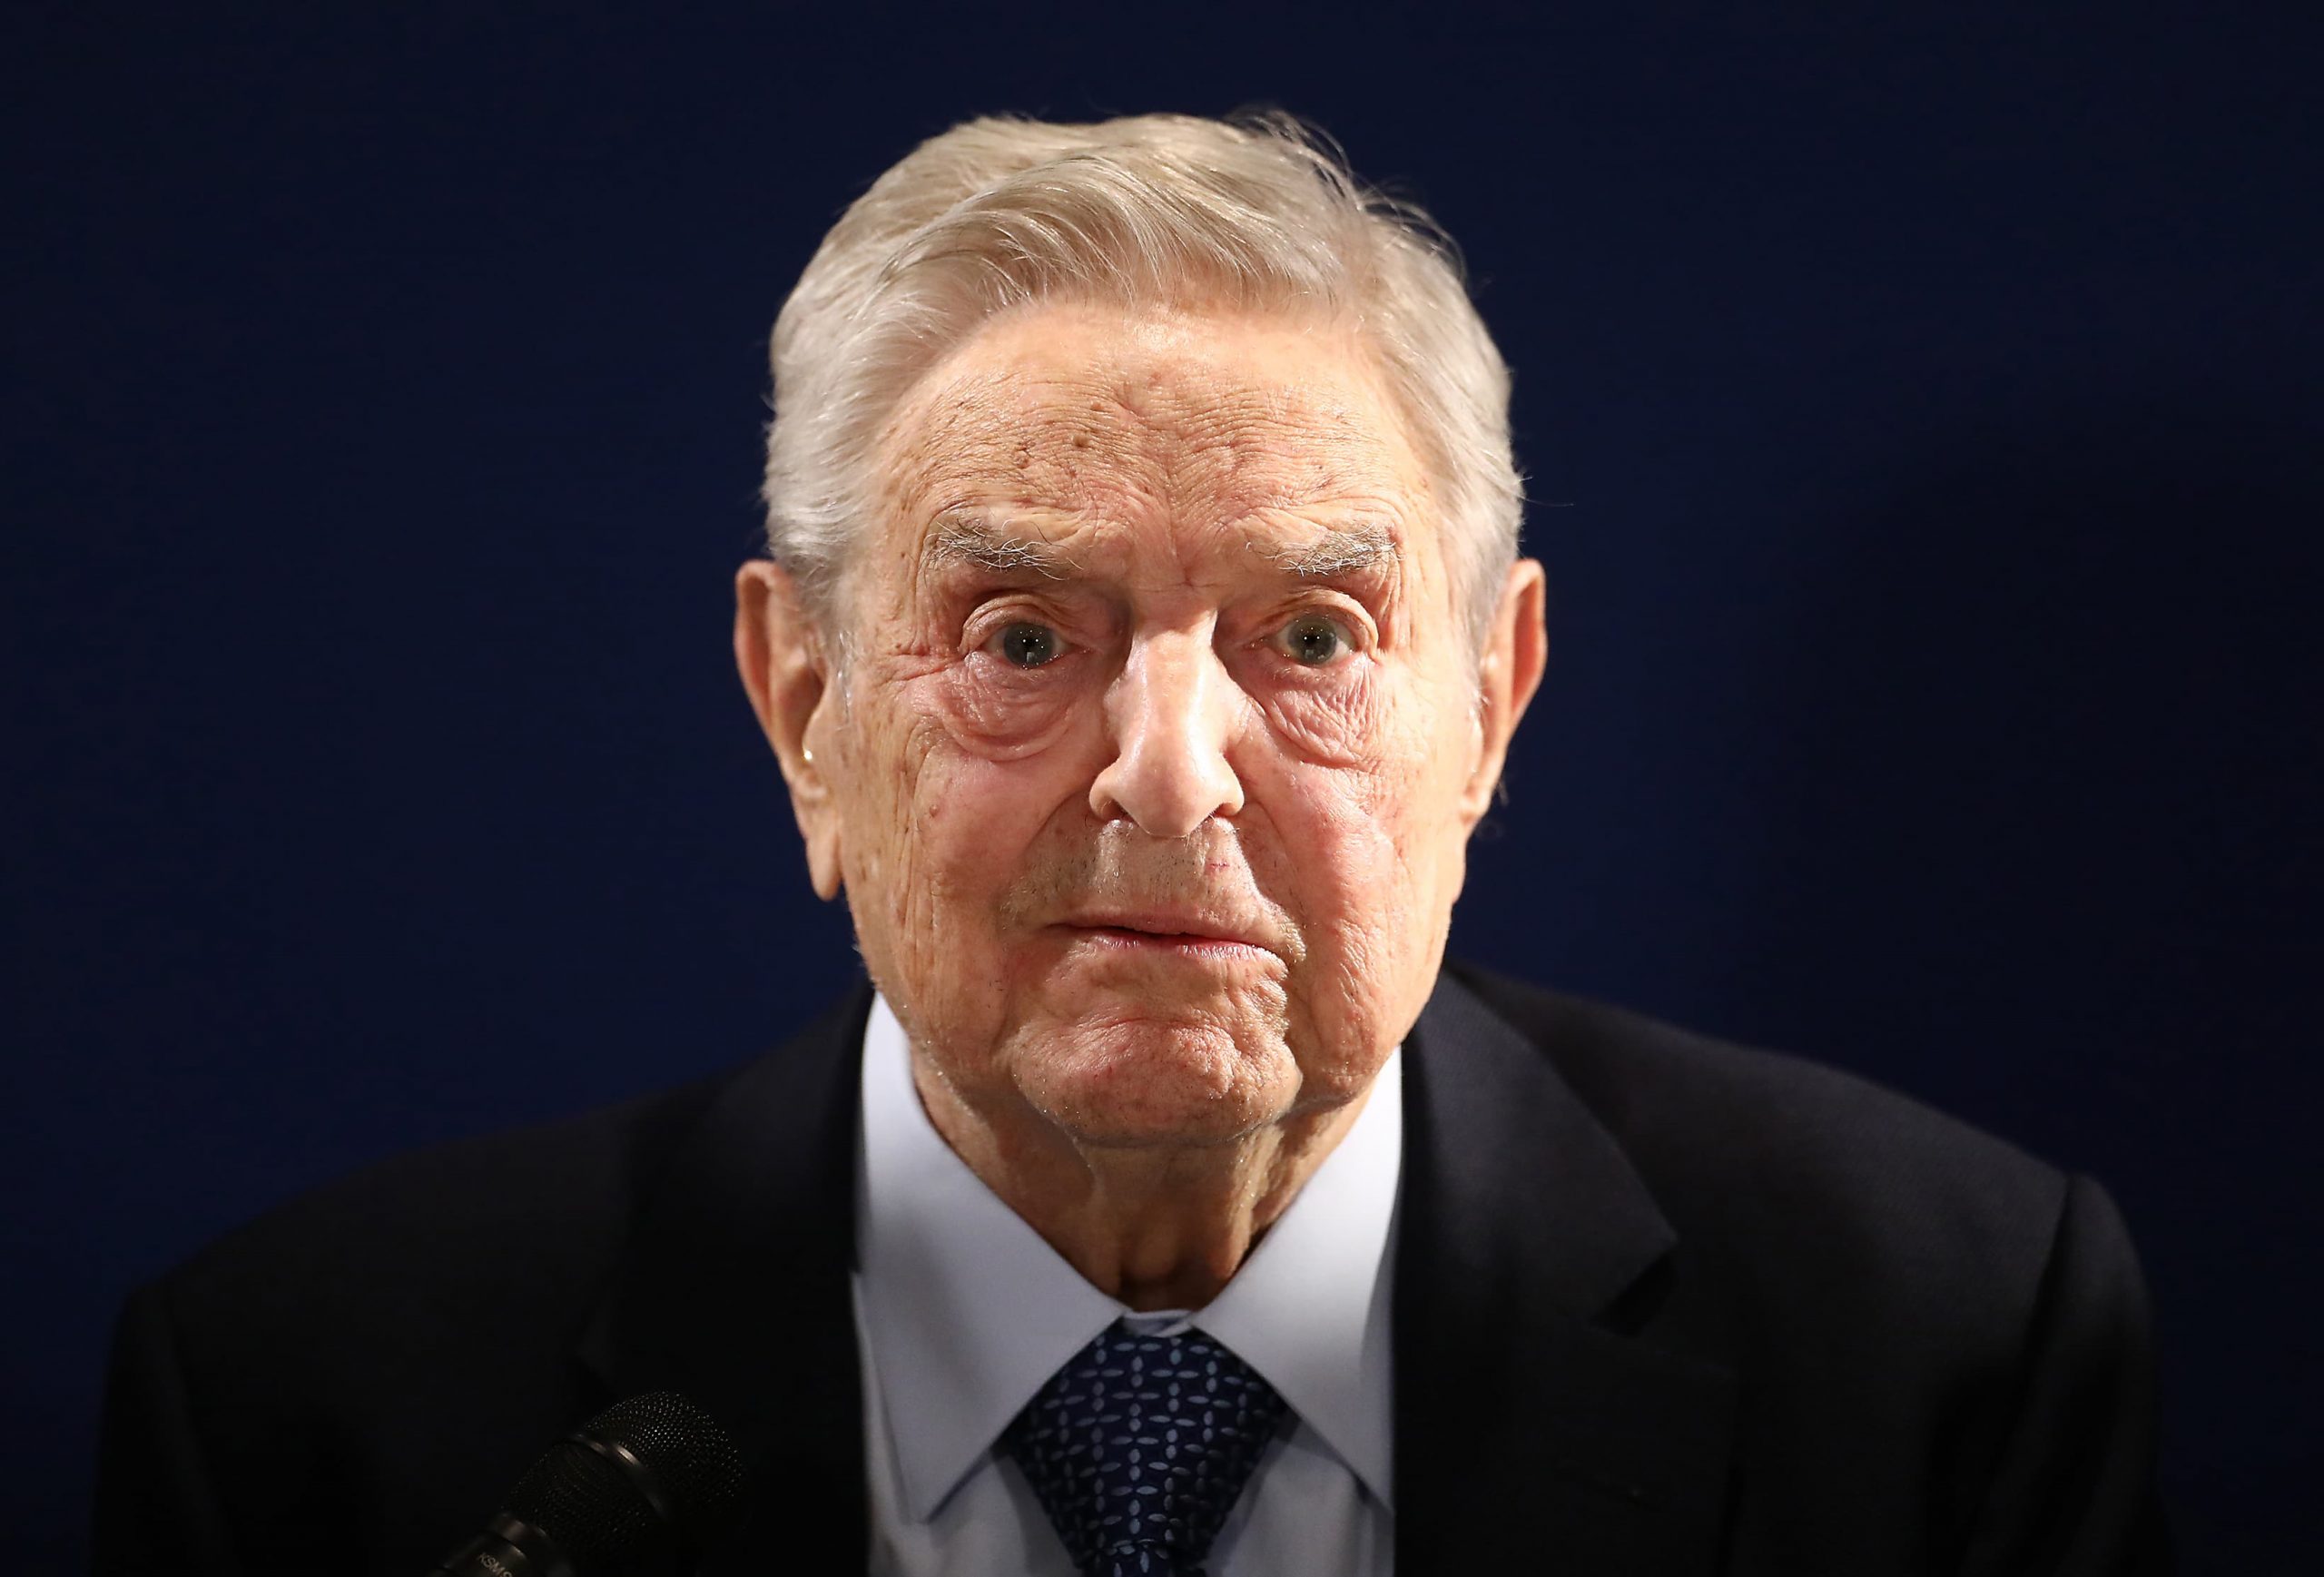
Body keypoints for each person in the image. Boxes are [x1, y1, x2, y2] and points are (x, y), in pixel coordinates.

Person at [93, 111, 2169, 1576]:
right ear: (805, 706)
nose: (1169, 778)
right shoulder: (312, 1404)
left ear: (1488, 705)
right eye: (1020, 634)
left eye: (1311, 635)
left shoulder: (1942, 1339)